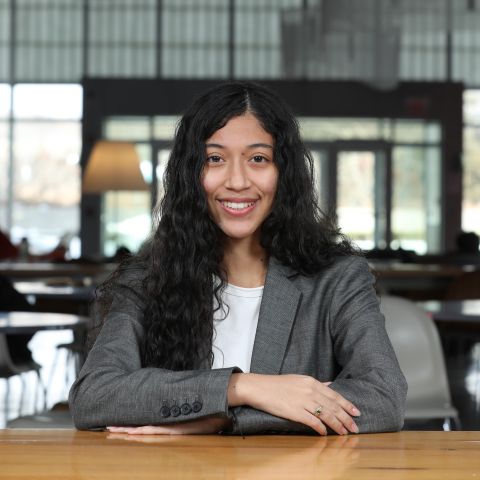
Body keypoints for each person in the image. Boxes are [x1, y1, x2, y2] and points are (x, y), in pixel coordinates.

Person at [69, 82, 407, 436]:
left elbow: (384, 397)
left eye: (258, 159)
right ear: (191, 174)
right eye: (215, 159)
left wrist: (222, 419)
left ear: (284, 172)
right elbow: (95, 395)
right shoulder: (145, 278)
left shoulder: (337, 278)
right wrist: (242, 388)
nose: (237, 181)